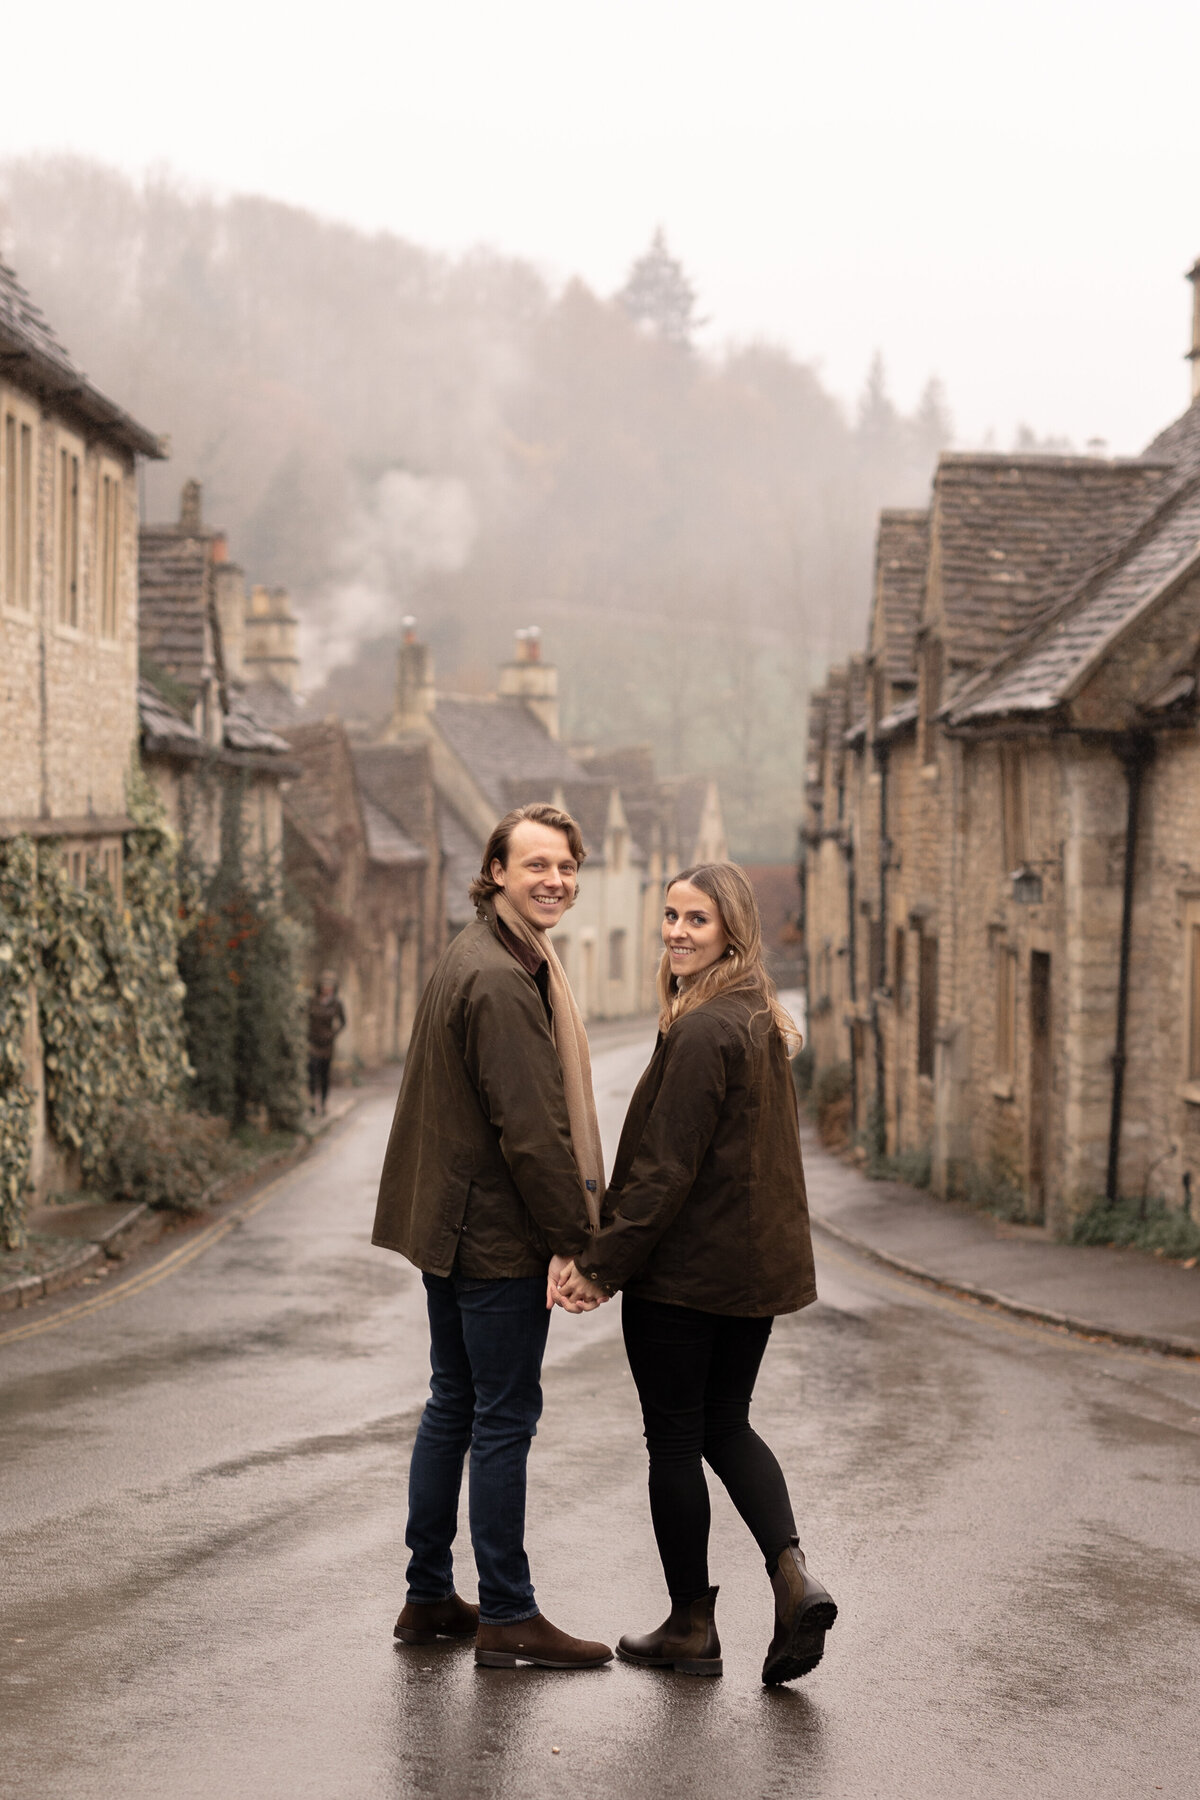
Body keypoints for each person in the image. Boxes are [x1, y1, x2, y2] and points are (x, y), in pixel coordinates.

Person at [555, 861, 836, 1685]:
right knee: (726, 1425)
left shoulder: (706, 1028)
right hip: (752, 1278)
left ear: (731, 932)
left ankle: (689, 1627)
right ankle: (792, 1578)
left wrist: (600, 1268)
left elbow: (663, 1173)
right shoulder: (752, 1017)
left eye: (697, 921)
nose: (677, 932)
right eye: (671, 916)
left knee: (675, 1439)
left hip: (685, 1281)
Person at [373, 803, 612, 1672]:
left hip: (452, 1226)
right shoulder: (504, 979)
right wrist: (580, 1243)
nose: (556, 880)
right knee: (502, 1417)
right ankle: (509, 1613)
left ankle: (430, 1594)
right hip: (493, 1237)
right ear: (498, 871)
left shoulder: (480, 952)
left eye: (568, 866)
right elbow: (534, 1131)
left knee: (453, 1403)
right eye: (538, 864)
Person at [307, 971, 346, 1114]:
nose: (327, 988)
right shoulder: (312, 1001)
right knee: (312, 1071)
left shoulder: (336, 1003)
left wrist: (332, 1034)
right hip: (313, 1041)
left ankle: (323, 1103)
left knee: (324, 1073)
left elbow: (343, 1022)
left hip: (327, 1044)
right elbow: (305, 1017)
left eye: (330, 986)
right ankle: (311, 1101)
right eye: (324, 985)